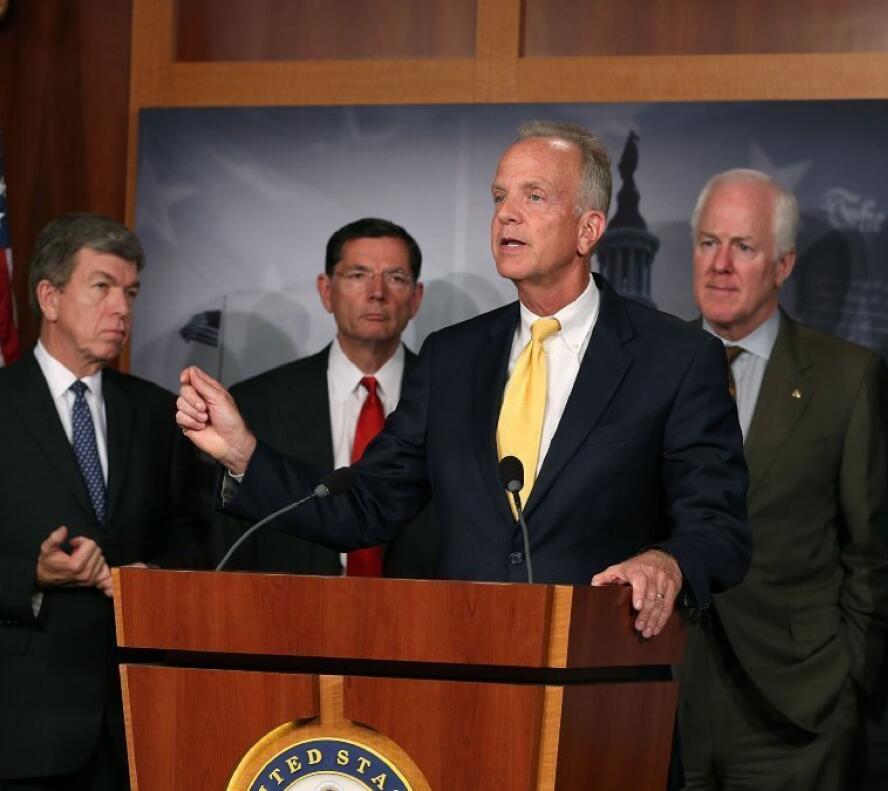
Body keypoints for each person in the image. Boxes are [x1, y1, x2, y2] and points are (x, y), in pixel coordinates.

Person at [176, 120, 752, 640]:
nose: (506, 214)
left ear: (588, 229)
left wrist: (667, 562)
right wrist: (245, 456)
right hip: (466, 677)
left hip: (600, 685)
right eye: (500, 197)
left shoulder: (674, 359)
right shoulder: (453, 357)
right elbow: (368, 504)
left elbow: (719, 528)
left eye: (534, 196)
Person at [0, 213, 207, 789]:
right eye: (102, 287)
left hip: (136, 726)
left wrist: (153, 578)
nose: (122, 308)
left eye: (131, 292)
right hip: (16, 731)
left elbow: (192, 532)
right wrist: (30, 575)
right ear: (49, 296)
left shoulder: (157, 412)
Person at [677, 169, 888, 789]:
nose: (719, 265)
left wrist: (846, 677)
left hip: (795, 709)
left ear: (783, 264)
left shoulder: (847, 378)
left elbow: (874, 554)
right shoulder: (645, 364)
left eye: (742, 247)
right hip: (661, 698)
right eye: (707, 242)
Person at [214, 218, 436, 578]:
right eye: (358, 275)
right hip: (290, 619)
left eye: (395, 277)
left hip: (426, 620)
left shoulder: (454, 401)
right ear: (325, 290)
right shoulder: (258, 404)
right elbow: (232, 544)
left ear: (416, 298)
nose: (377, 292)